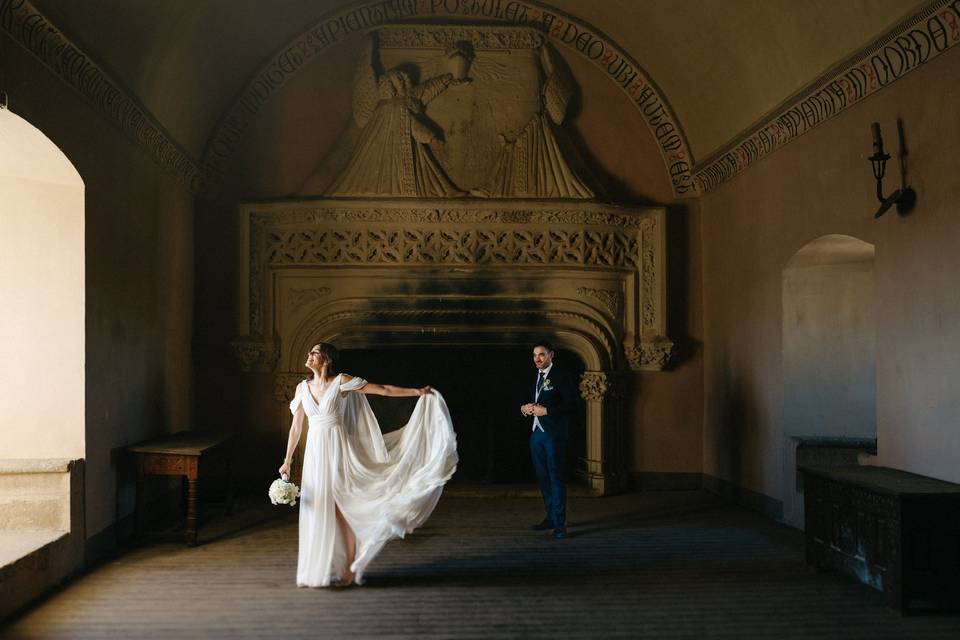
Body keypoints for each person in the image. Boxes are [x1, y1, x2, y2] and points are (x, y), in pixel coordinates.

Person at [279, 342, 458, 587]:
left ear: (327, 359)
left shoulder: (341, 381)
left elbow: (382, 389)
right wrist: (287, 460)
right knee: (317, 509)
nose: (308, 355)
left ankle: (349, 570)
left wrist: (417, 392)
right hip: (315, 454)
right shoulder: (302, 388)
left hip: (338, 452)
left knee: (343, 509)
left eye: (315, 352)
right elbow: (296, 428)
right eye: (309, 351)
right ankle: (314, 571)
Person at [520, 341, 578, 539]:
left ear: (551, 355)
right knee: (543, 477)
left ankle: (560, 525)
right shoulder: (533, 375)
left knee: (556, 478)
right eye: (535, 355)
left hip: (554, 434)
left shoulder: (562, 376)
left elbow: (572, 404)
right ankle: (551, 517)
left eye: (542, 354)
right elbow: (530, 398)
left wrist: (547, 411)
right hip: (537, 433)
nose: (537, 359)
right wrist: (524, 409)